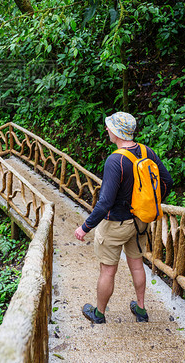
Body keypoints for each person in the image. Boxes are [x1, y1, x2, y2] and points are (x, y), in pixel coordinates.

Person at [74, 111, 172, 324]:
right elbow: (167, 181)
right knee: (137, 264)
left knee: (108, 270)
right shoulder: (147, 152)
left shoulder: (115, 160)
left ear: (117, 132)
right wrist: (149, 203)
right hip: (140, 222)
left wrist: (85, 227)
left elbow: (105, 201)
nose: (107, 130)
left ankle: (98, 314)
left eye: (109, 127)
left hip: (116, 224)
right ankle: (141, 309)